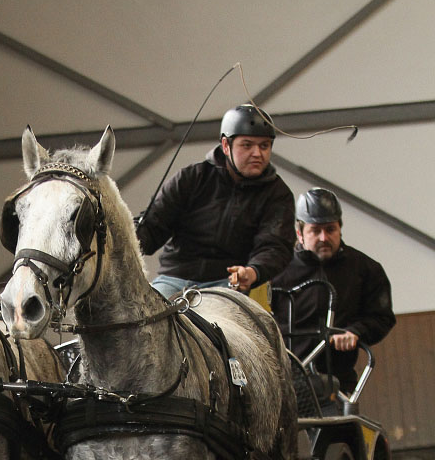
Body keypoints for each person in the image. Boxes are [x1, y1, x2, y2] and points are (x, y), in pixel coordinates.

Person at [135, 104, 295, 298]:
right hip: (174, 278)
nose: (257, 153)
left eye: (264, 146)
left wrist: (253, 272)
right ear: (226, 145)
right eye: (247, 145)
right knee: (146, 321)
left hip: (228, 284)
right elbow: (152, 226)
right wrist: (120, 235)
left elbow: (275, 246)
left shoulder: (278, 194)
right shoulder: (191, 178)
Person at [271, 188, 396, 393]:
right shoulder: (276, 271)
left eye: (330, 229)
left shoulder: (366, 269)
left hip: (337, 381)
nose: (323, 237)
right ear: (299, 233)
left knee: (347, 424)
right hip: (283, 381)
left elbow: (382, 318)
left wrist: (356, 332)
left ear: (340, 228)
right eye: (315, 230)